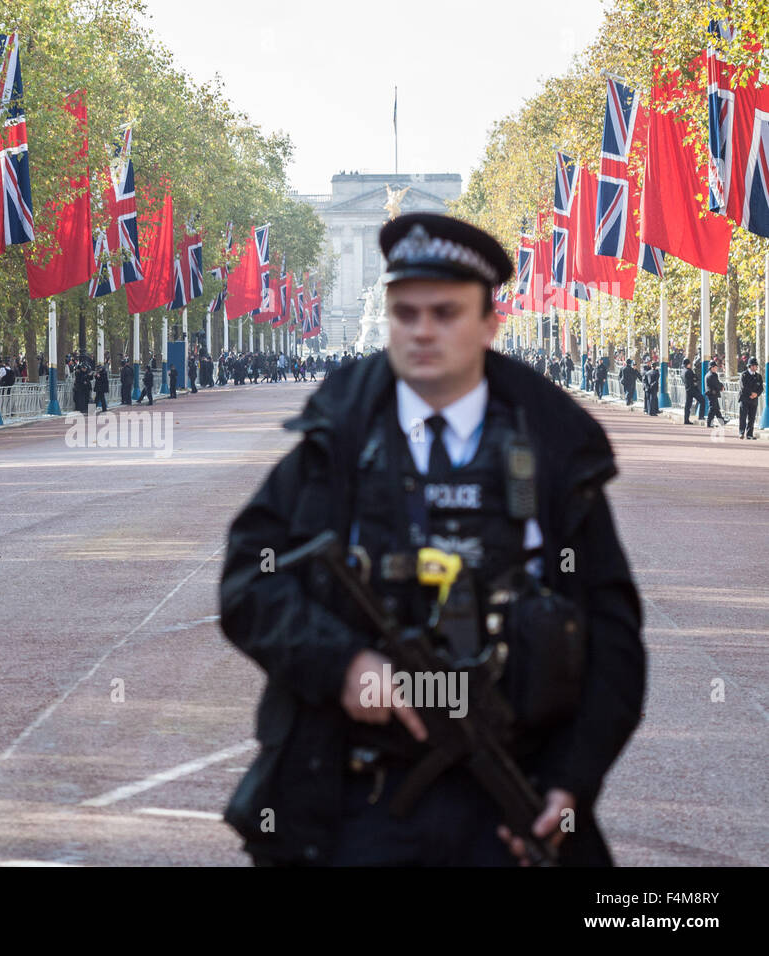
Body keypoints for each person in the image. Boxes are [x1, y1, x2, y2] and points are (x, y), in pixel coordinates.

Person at [219, 213, 644, 866]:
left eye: (445, 312)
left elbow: (612, 636)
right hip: (357, 800)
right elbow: (250, 582)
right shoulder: (336, 444)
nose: (421, 331)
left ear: (489, 322)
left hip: (509, 795)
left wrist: (570, 781)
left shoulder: (554, 454)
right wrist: (342, 665)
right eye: (405, 311)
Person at [739, 358, 762, 439]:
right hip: (745, 398)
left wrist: (756, 394)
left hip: (754, 400)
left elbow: (761, 388)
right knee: (743, 416)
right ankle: (741, 432)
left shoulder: (758, 376)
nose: (754, 367)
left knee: (752, 418)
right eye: (753, 365)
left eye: (755, 366)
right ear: (749, 366)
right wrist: (751, 393)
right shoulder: (744, 375)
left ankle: (749, 434)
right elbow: (743, 387)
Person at [705, 359, 727, 428]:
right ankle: (709, 423)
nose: (716, 368)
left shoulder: (711, 374)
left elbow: (717, 383)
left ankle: (722, 421)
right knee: (712, 408)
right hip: (712, 393)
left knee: (716, 409)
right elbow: (716, 384)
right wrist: (721, 387)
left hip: (712, 393)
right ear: (711, 368)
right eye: (715, 367)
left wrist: (721, 386)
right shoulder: (711, 375)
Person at [682, 359, 700, 425]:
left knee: (687, 406)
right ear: (688, 364)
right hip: (692, 389)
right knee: (702, 400)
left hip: (687, 389)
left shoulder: (683, 371)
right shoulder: (689, 371)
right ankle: (701, 417)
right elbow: (695, 378)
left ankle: (686, 419)